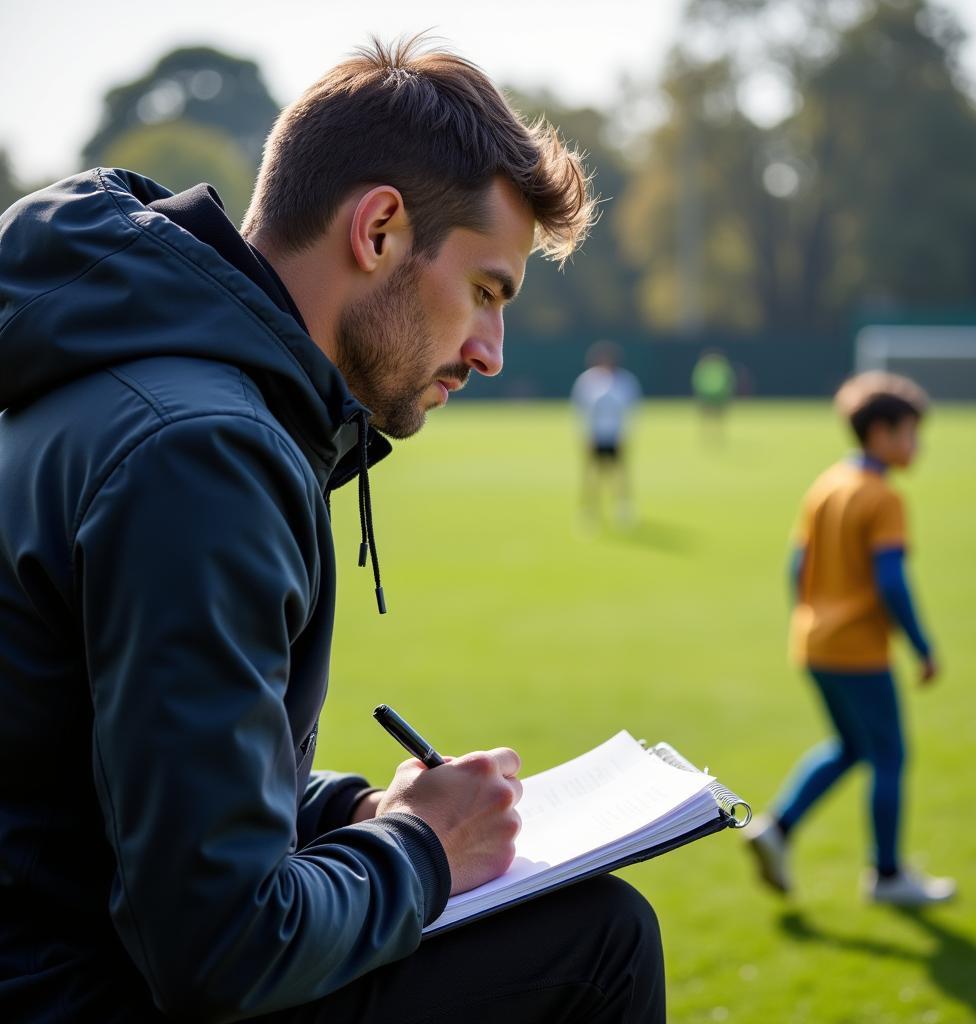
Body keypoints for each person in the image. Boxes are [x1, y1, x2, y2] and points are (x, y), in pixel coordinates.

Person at [0, 38, 666, 1023]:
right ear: (381, 228)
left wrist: (348, 813)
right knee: (597, 938)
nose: (489, 351)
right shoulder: (203, 450)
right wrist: (422, 850)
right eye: (486, 291)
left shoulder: (142, 382)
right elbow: (218, 944)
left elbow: (111, 773)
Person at [744, 372, 956, 906]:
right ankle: (887, 876)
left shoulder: (828, 484)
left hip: (814, 642)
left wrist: (813, 620)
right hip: (858, 651)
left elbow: (796, 566)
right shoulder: (883, 498)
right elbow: (891, 581)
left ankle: (778, 828)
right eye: (910, 433)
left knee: (852, 747)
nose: (917, 445)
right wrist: (923, 647)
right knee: (889, 755)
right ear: (881, 433)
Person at [571, 340, 642, 526]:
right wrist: (584, 436)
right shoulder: (587, 381)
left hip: (615, 436)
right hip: (595, 436)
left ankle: (623, 508)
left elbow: (631, 411)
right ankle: (589, 510)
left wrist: (626, 435)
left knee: (619, 474)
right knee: (591, 475)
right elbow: (580, 411)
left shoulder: (624, 382)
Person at [690, 349, 735, 442]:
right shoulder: (720, 367)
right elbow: (729, 381)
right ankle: (714, 434)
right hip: (716, 395)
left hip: (711, 395)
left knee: (711, 416)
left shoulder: (705, 367)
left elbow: (697, 381)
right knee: (715, 416)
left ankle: (711, 434)